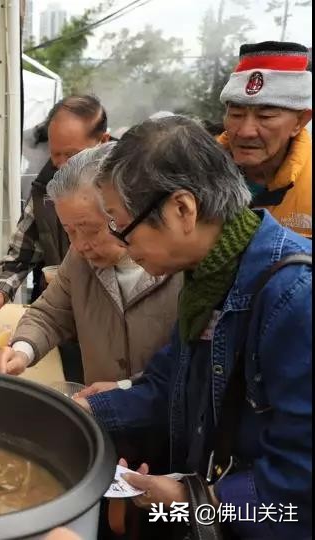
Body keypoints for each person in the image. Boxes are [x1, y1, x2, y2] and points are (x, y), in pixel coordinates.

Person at [75, 116, 312, 539]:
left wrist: (194, 500)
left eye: (121, 224)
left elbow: (298, 485)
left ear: (183, 209)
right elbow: (170, 384)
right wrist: (86, 412)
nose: (120, 242)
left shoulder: (294, 297)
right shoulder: (208, 280)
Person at [0, 143, 182, 389]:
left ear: (123, 212)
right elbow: (49, 314)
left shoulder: (178, 267)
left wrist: (125, 388)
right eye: (69, 231)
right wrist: (21, 351)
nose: (80, 245)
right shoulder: (79, 259)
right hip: (95, 404)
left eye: (91, 230)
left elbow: (187, 363)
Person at [0, 95, 110, 383]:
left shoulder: (129, 190)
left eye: (71, 155)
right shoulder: (45, 189)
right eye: (54, 153)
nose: (60, 165)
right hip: (67, 330)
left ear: (103, 141)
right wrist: (0, 293)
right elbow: (21, 257)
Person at [218, 40, 312, 238]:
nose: (246, 132)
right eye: (236, 114)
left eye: (265, 116)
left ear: (300, 121)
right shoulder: (196, 171)